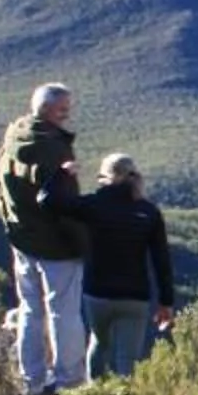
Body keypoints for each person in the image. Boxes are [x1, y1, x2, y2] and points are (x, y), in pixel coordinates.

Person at [0, 82, 90, 395]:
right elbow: (60, 202)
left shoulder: (14, 138)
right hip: (56, 245)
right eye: (63, 108)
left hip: (22, 238)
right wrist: (81, 240)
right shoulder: (52, 148)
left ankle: (32, 378)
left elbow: (3, 187)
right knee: (63, 312)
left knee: (30, 309)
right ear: (48, 110)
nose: (68, 113)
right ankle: (70, 381)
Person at [78, 153, 175, 379]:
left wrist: (62, 174)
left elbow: (49, 201)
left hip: (97, 293)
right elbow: (161, 260)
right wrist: (166, 302)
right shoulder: (148, 212)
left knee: (99, 343)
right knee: (128, 359)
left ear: (106, 178)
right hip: (135, 296)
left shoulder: (92, 205)